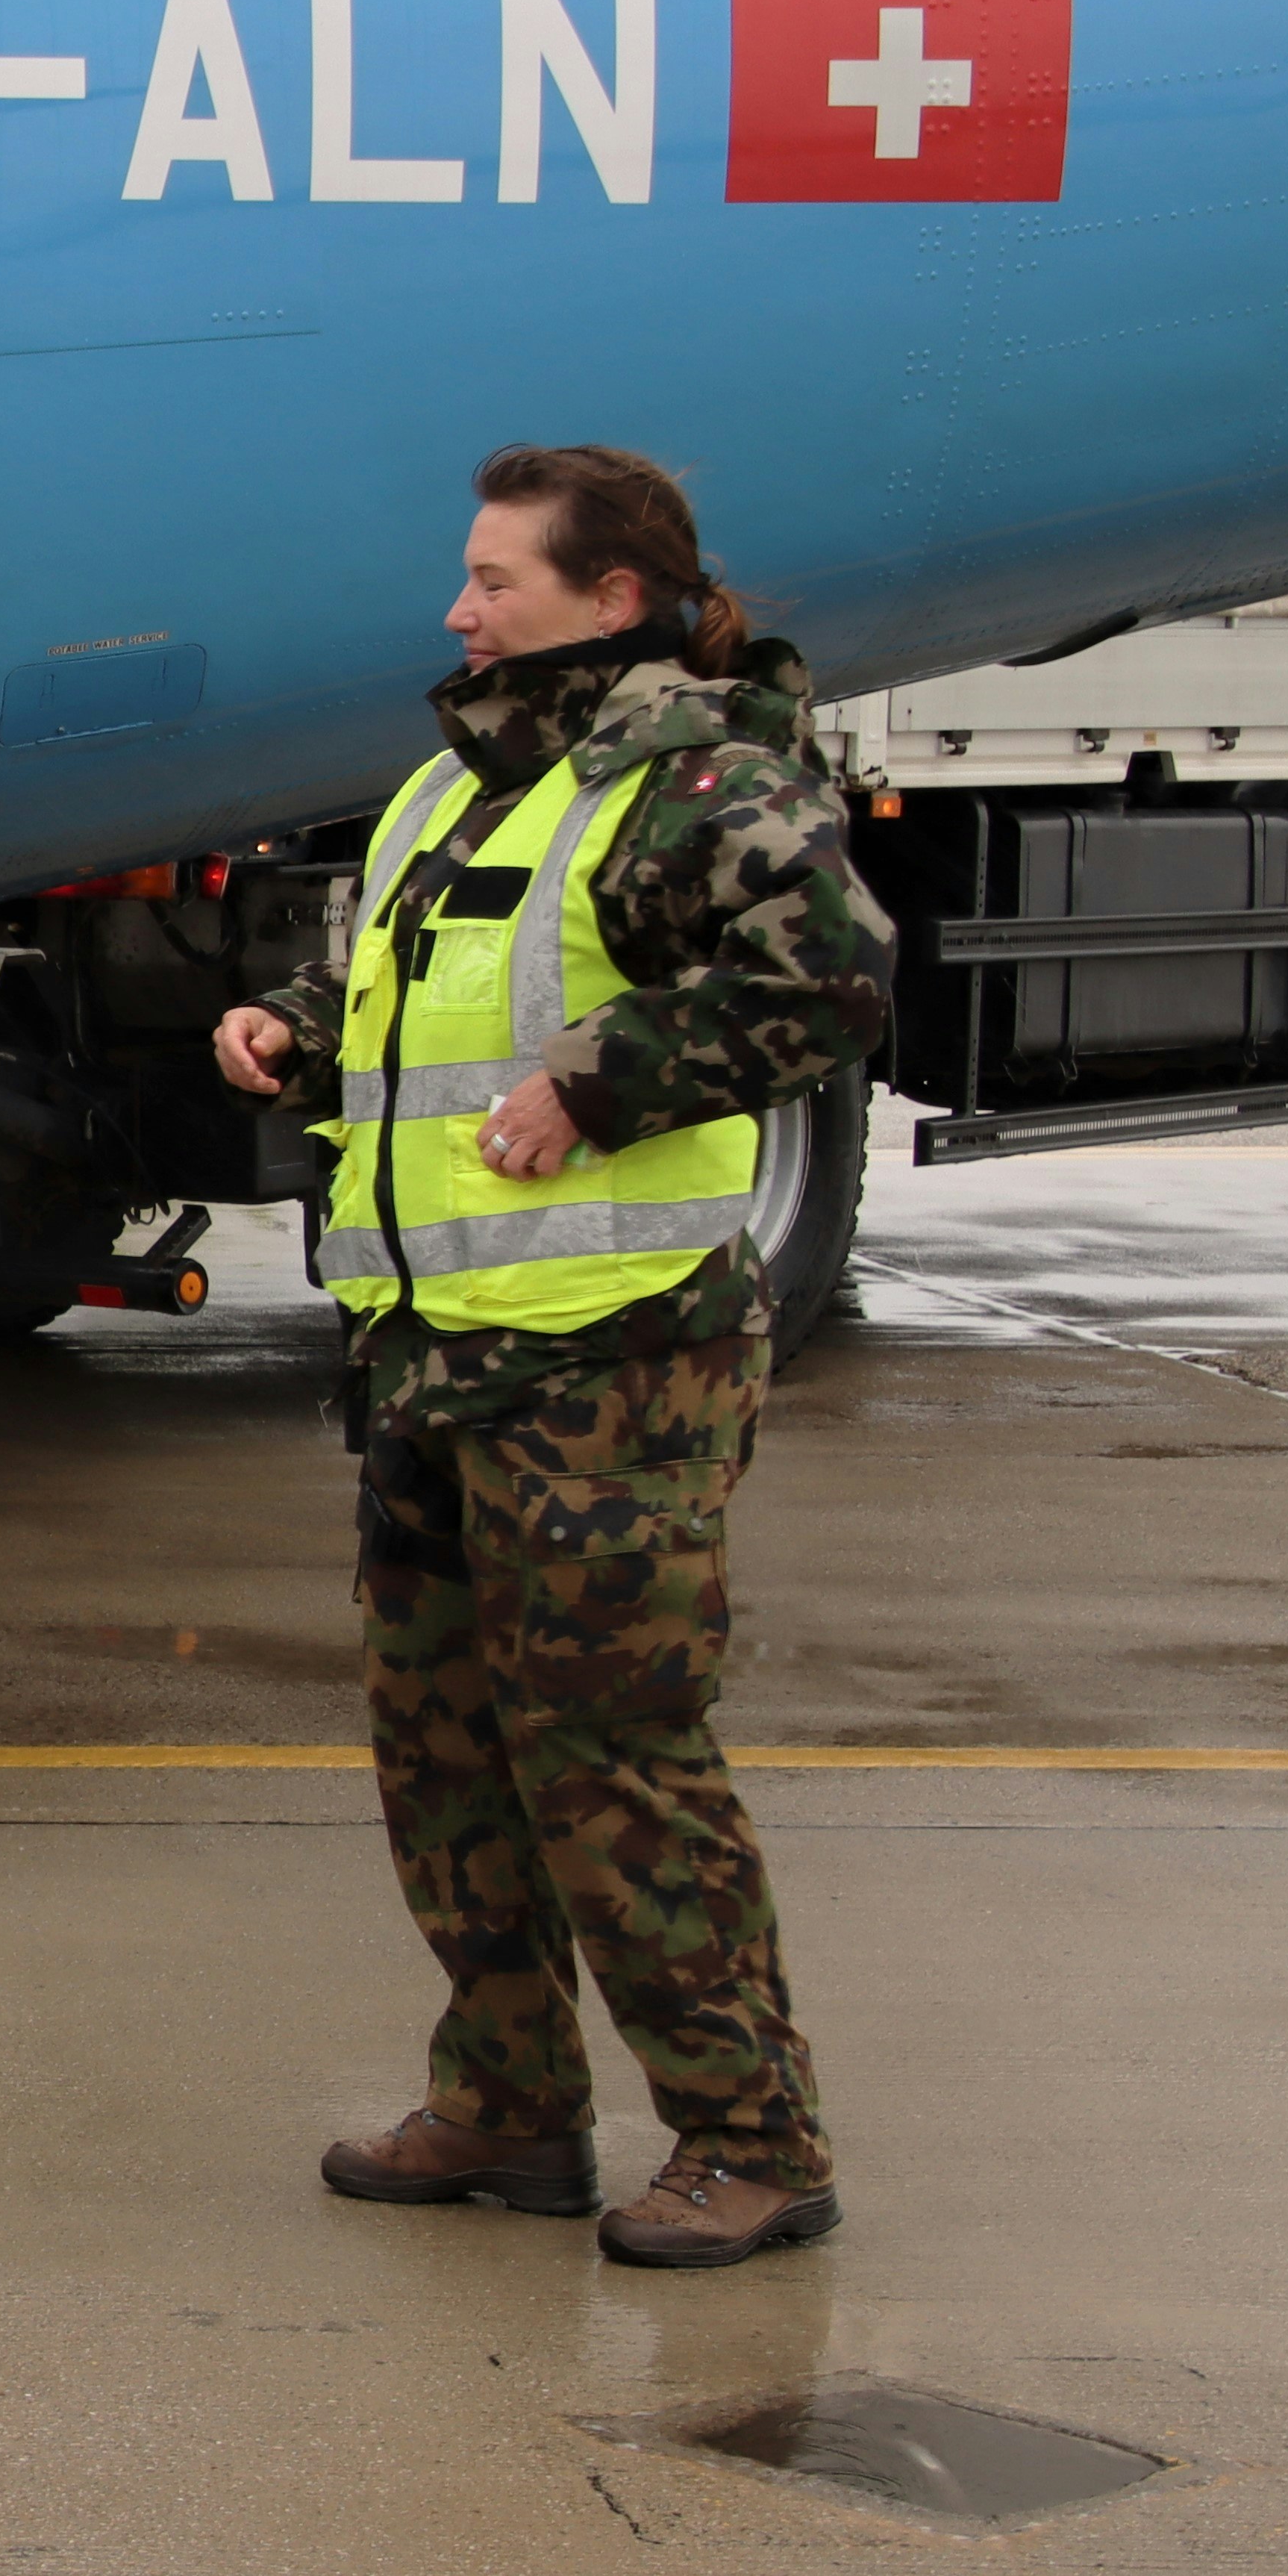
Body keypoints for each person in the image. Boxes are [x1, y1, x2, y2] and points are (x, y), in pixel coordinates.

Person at [211, 445, 894, 2269]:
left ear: (611, 599)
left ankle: (752, 2138)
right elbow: (428, 997)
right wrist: (296, 1024)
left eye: (495, 580)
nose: (459, 608)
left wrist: (602, 1085)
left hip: (614, 1362)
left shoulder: (698, 778)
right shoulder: (458, 782)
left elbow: (831, 975)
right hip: (435, 1353)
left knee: (609, 1754)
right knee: (443, 1750)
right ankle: (509, 2103)